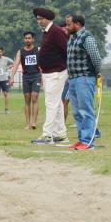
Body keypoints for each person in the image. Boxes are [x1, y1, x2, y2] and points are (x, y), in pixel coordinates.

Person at [30, 8, 69, 144]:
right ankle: (61, 134)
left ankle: (47, 135)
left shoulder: (56, 31)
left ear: (47, 18)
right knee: (57, 104)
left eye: (40, 18)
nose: (38, 20)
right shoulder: (47, 32)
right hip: (48, 73)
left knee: (51, 104)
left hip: (56, 72)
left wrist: (67, 70)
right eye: (37, 18)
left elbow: (66, 50)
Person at [64, 15, 102, 150]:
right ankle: (81, 140)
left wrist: (96, 73)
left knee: (86, 111)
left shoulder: (87, 37)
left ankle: (88, 141)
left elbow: (96, 58)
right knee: (77, 113)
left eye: (68, 24)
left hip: (85, 78)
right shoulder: (72, 38)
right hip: (73, 79)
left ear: (77, 24)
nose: (66, 27)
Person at [10, 31, 40, 129]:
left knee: (34, 98)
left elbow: (44, 62)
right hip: (26, 77)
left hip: (36, 76)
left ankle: (34, 122)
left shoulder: (38, 50)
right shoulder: (20, 51)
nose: (27, 40)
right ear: (24, 39)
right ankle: (27, 123)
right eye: (26, 38)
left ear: (33, 39)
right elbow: (15, 64)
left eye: (29, 38)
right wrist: (12, 76)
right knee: (27, 100)